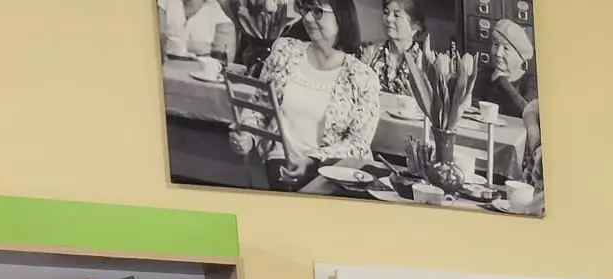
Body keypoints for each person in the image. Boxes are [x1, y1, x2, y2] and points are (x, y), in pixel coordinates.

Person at [262, 0, 380, 176]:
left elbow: (358, 143)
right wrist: (247, 136)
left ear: (341, 17)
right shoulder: (284, 51)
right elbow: (259, 105)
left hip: (329, 170)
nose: (308, 18)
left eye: (318, 12)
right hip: (281, 162)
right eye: (306, 10)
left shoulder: (362, 77)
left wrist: (312, 160)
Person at [359, 0, 425, 96]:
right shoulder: (370, 53)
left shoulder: (423, 61)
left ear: (415, 26)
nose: (389, 19)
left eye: (396, 15)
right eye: (386, 13)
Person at [484, 17, 537, 119]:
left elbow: (527, 113)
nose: (498, 53)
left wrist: (502, 82)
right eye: (496, 44)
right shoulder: (484, 75)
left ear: (520, 57)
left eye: (506, 48)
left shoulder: (531, 83)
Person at [160, 0, 237, 63]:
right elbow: (157, 38)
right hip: (167, 66)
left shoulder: (216, 11)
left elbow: (224, 59)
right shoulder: (164, 3)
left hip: (201, 70)